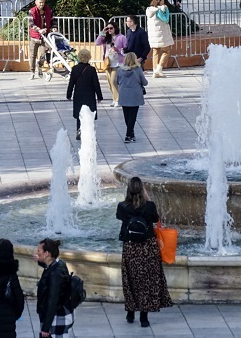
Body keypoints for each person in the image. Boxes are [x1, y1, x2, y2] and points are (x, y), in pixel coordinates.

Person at [116, 177, 173, 327]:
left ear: (128, 190)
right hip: (148, 247)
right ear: (142, 190)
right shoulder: (149, 206)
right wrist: (146, 198)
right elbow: (155, 218)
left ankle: (130, 312)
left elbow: (119, 217)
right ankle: (144, 318)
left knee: (130, 280)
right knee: (147, 281)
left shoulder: (122, 206)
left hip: (130, 248)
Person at [35, 238, 72, 338]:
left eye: (39, 251)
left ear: (46, 253)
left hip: (56, 318)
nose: (36, 253)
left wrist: (46, 327)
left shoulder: (54, 274)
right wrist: (40, 261)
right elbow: (50, 268)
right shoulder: (59, 264)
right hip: (57, 315)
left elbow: (52, 301)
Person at [66, 48, 103, 141]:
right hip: (90, 95)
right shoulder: (91, 70)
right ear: (89, 58)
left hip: (78, 94)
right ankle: (89, 132)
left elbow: (71, 83)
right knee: (89, 113)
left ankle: (79, 130)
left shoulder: (74, 69)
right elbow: (96, 84)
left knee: (79, 113)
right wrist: (99, 96)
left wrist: (69, 95)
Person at [116, 53, 149, 143]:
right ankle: (128, 135)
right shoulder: (138, 70)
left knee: (126, 116)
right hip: (135, 95)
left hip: (123, 94)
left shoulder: (119, 70)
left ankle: (131, 134)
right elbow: (145, 83)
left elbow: (117, 81)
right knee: (133, 116)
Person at [95, 23, 125, 107]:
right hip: (108, 63)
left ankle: (118, 100)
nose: (109, 30)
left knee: (113, 81)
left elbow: (125, 48)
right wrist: (102, 33)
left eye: (111, 28)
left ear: (115, 28)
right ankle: (114, 99)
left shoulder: (121, 37)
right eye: (107, 29)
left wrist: (117, 50)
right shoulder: (106, 38)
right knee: (109, 83)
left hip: (117, 63)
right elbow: (97, 43)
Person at [145, 0, 174, 78]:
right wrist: (167, 10)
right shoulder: (159, 10)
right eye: (162, 1)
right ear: (159, 1)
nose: (163, 3)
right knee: (166, 51)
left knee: (155, 52)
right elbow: (166, 19)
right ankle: (159, 68)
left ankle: (155, 71)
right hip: (161, 34)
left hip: (153, 35)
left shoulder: (149, 10)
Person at [28, 0, 55, 80]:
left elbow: (53, 20)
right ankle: (32, 72)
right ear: (36, 3)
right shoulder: (32, 11)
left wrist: (54, 27)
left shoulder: (48, 10)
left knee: (43, 54)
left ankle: (39, 65)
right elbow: (31, 24)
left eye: (43, 2)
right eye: (40, 2)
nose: (41, 4)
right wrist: (38, 29)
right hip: (34, 36)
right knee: (33, 55)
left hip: (45, 36)